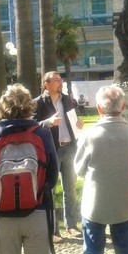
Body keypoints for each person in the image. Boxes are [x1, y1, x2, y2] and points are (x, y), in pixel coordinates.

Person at [0, 84, 58, 254]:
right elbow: (53, 173)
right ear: (29, 106)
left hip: (3, 214)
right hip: (38, 210)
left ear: (2, 108)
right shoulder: (42, 133)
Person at [74, 85, 128, 254]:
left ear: (99, 108)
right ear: (123, 106)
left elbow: (78, 169)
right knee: (126, 252)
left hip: (95, 203)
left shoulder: (89, 135)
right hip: (125, 202)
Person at [34, 71, 83, 240]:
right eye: (55, 80)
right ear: (46, 84)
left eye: (60, 79)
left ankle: (71, 225)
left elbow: (74, 119)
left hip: (69, 147)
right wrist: (47, 123)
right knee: (51, 190)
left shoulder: (68, 100)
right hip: (51, 150)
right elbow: (32, 126)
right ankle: (53, 229)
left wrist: (78, 123)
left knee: (70, 188)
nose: (59, 82)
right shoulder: (38, 103)